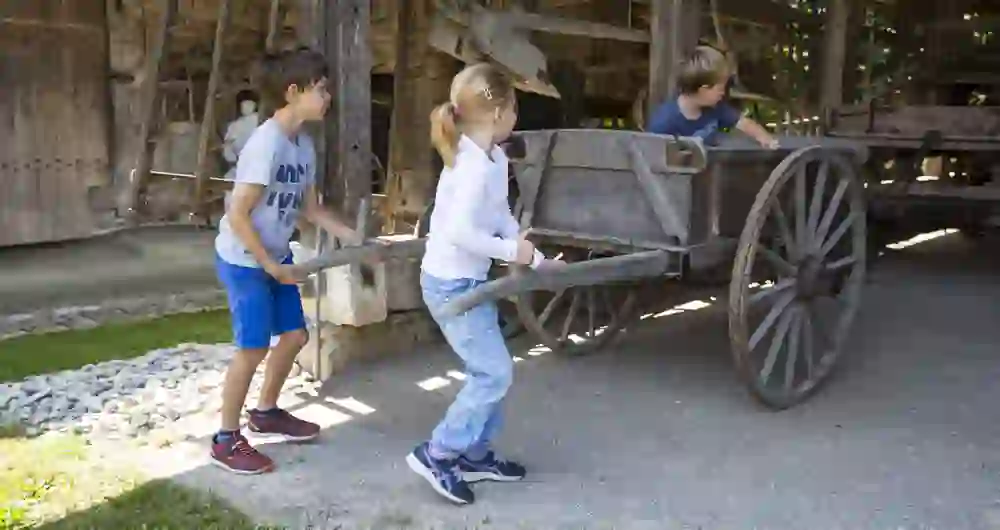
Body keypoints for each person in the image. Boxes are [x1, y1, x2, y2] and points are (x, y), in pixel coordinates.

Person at [406, 62, 561, 505]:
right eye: (514, 106)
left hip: (466, 280)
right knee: (493, 373)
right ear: (498, 112)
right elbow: (459, 233)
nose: (517, 115)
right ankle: (439, 453)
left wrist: (529, 251)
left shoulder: (492, 157)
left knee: (493, 371)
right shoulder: (472, 167)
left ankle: (474, 455)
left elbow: (497, 215)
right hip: (451, 286)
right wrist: (513, 253)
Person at [211, 47, 362, 475]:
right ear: (293, 92)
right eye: (321, 89)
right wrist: (272, 266)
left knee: (294, 337)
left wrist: (355, 236)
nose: (327, 96)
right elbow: (237, 214)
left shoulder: (303, 146)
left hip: (275, 256)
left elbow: (310, 209)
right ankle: (225, 440)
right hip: (244, 259)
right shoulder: (266, 145)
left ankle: (266, 414)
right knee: (253, 346)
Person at [647, 45, 778, 149]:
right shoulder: (664, 123)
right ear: (703, 90)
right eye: (720, 88)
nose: (724, 93)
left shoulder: (716, 108)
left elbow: (744, 123)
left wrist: (764, 137)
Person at [222, 90, 261, 180]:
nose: (246, 107)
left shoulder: (263, 123)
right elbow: (227, 152)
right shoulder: (233, 126)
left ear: (255, 105)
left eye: (249, 104)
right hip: (239, 167)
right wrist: (229, 149)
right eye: (243, 104)